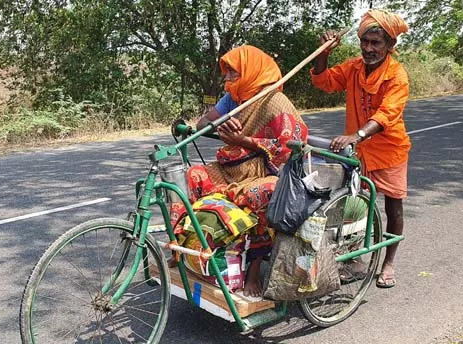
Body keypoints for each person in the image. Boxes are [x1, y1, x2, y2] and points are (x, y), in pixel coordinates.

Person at [175, 45, 308, 297]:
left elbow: (290, 149)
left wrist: (244, 141)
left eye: (232, 73)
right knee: (193, 177)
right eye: (226, 74)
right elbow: (203, 123)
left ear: (251, 71)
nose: (227, 80)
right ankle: (187, 247)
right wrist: (220, 121)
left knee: (263, 194)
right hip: (231, 168)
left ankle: (254, 268)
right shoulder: (234, 97)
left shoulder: (275, 101)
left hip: (264, 171)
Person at [311, 10, 411, 288]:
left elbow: (386, 114)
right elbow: (324, 81)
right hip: (358, 152)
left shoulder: (397, 75)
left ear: (390, 45)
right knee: (353, 204)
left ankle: (389, 262)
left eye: (376, 43)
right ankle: (355, 259)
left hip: (388, 150)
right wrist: (324, 52)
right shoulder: (354, 67)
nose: (369, 48)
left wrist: (356, 135)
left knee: (393, 207)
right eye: (365, 42)